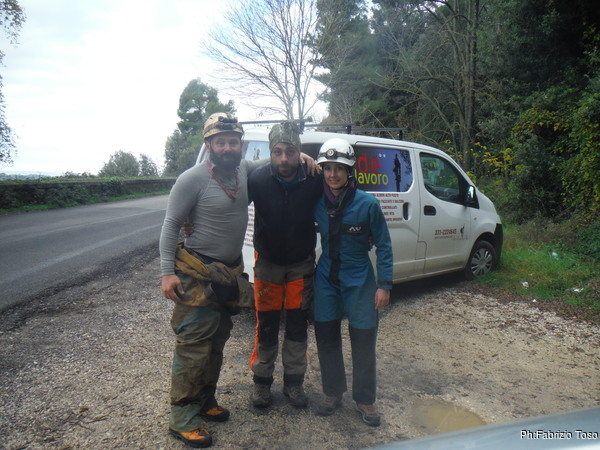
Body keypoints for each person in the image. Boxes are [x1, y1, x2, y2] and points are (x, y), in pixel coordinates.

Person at [160, 113, 317, 448]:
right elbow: (171, 224)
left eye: (233, 141)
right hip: (197, 273)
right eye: (221, 142)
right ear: (209, 145)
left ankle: (205, 401)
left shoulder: (244, 171)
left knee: (216, 343)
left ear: (240, 145)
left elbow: (280, 156)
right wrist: (166, 273)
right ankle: (182, 418)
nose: (228, 147)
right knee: (194, 346)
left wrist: (302, 154)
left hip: (229, 274)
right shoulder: (191, 179)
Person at [312, 138, 393, 427]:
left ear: (350, 171)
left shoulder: (368, 204)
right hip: (326, 278)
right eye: (327, 168)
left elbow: (383, 244)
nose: (333, 174)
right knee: (326, 336)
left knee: (363, 338)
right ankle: (333, 393)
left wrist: (384, 285)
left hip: (359, 278)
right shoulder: (316, 201)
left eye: (339, 168)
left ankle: (365, 399)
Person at [248, 121, 323, 409]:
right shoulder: (257, 179)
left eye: (290, 152)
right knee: (266, 324)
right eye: (277, 152)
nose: (283, 159)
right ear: (270, 153)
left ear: (298, 152)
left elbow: (344, 190)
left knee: (297, 325)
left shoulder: (313, 178)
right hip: (267, 261)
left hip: (300, 263)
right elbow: (226, 201)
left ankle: (294, 382)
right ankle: (262, 382)